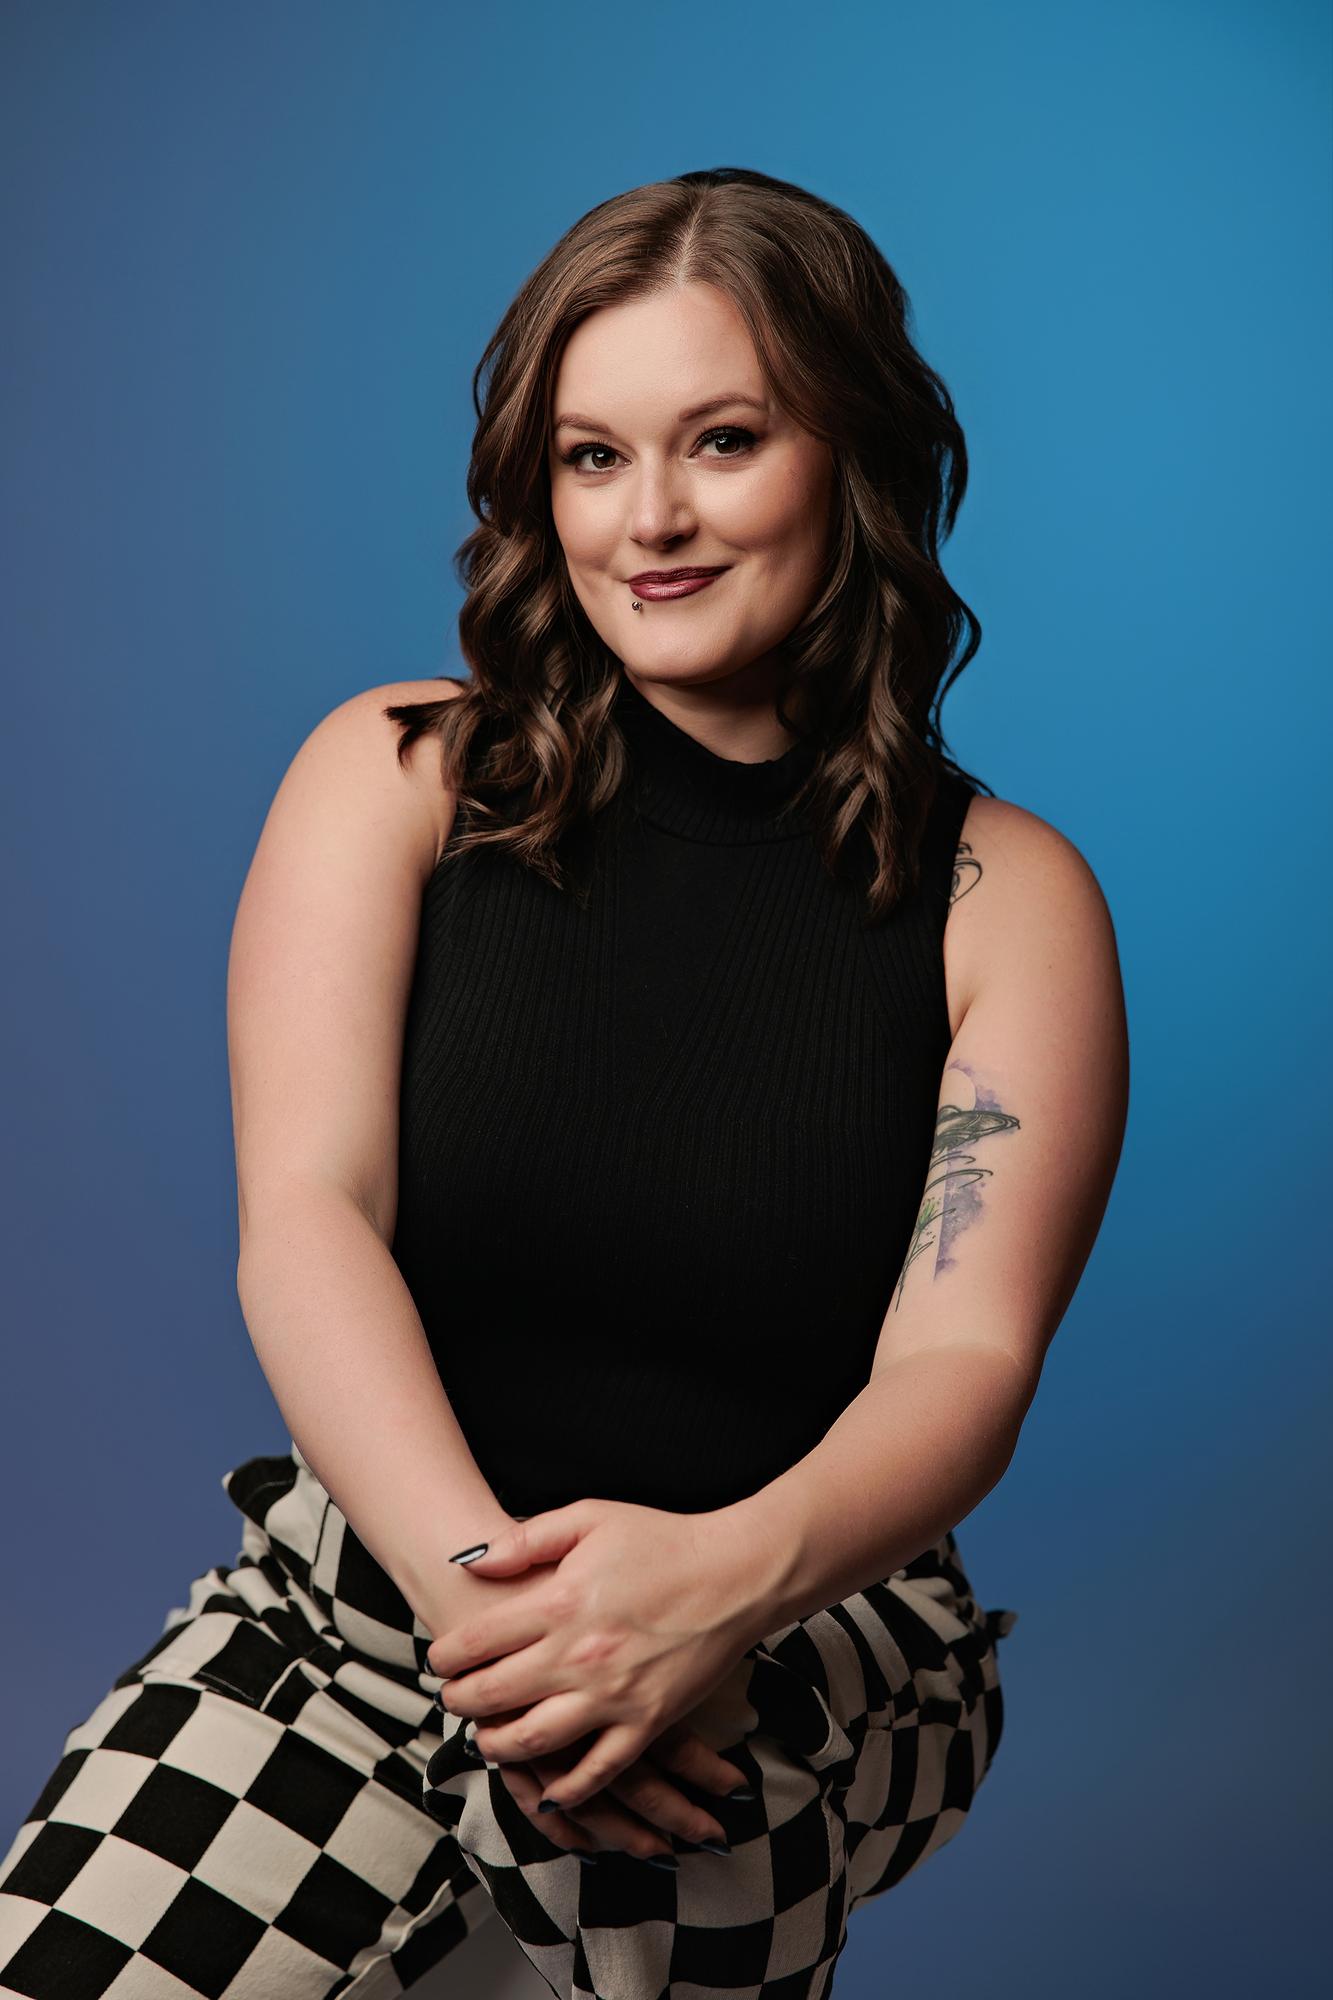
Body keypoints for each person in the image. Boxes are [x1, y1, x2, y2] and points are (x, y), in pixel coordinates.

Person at [0, 165, 1128, 1998]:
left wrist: (706, 1595)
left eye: (724, 440)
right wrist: (481, 1619)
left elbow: (962, 1363)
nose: (651, 518)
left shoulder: (1008, 903)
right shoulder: (394, 779)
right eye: (592, 456)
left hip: (800, 1610)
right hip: (381, 1590)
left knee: (639, 1865)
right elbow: (308, 1222)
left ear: (850, 457)